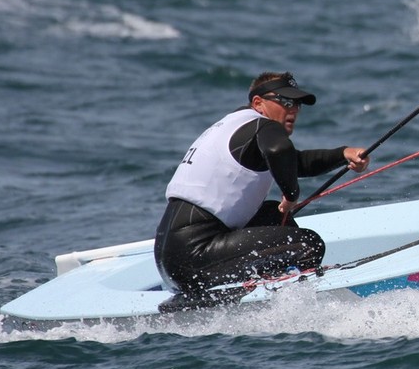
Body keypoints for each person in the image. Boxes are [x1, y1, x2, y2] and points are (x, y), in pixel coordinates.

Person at [154, 71, 370, 298]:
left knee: (273, 216)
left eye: (297, 104)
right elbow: (279, 150)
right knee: (308, 245)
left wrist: (343, 154)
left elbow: (293, 161)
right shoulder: (265, 126)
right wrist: (291, 194)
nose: (293, 109)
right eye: (286, 101)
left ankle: (270, 286)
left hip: (170, 258)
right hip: (196, 255)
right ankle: (292, 305)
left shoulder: (237, 124)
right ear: (258, 103)